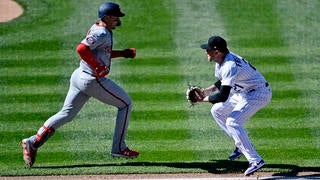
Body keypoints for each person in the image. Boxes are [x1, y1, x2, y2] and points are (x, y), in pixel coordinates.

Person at [21, 2, 139, 167]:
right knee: (126, 104)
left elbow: (98, 52)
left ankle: (33, 142)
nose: (118, 19)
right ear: (107, 17)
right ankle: (119, 148)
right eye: (116, 16)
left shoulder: (99, 29)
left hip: (79, 76)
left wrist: (122, 54)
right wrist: (98, 67)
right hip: (91, 79)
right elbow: (81, 49)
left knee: (66, 114)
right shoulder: (102, 33)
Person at [199, 36, 272, 175]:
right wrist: (205, 91)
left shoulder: (229, 65)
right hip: (243, 92)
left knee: (232, 122)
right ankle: (240, 145)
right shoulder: (221, 61)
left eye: (208, 49)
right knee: (217, 110)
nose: (205, 52)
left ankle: (256, 160)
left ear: (217, 52)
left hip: (258, 93)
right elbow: (223, 81)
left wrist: (201, 99)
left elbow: (222, 96)